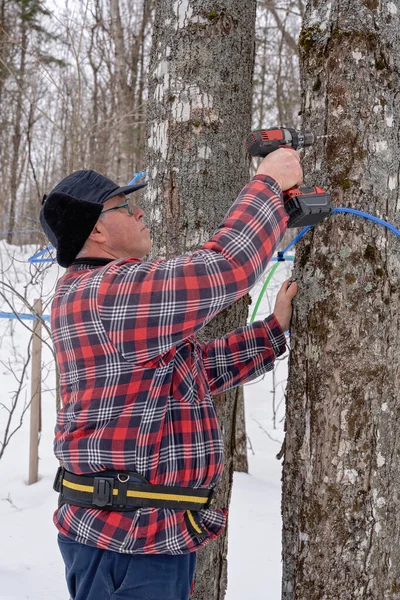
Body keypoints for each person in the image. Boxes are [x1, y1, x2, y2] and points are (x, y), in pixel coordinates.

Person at [40, 148, 302, 600]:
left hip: (138, 535)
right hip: (127, 543)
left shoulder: (100, 295)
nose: (140, 211)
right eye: (124, 206)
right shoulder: (109, 292)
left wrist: (272, 332)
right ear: (97, 230)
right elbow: (226, 267)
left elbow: (187, 374)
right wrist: (268, 185)